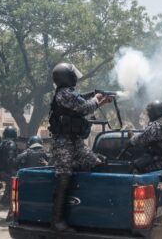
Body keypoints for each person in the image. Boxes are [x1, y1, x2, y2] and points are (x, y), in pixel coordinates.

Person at [48, 62, 110, 232]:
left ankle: (92, 211)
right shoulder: (64, 94)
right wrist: (97, 101)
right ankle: (57, 221)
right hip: (63, 143)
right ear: (67, 76)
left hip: (75, 142)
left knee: (96, 163)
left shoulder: (69, 94)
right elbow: (84, 106)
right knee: (64, 177)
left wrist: (98, 98)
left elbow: (81, 99)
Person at [0, 126, 18, 206]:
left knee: (9, 187)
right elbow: (10, 160)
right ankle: (10, 206)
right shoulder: (11, 144)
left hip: (1, 170)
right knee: (14, 187)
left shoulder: (2, 143)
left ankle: (4, 202)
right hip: (8, 171)